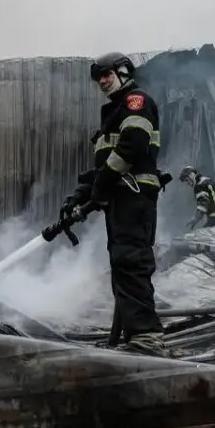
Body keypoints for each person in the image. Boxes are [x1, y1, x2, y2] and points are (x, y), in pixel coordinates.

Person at [61, 51, 168, 357]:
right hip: (120, 198)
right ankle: (128, 335)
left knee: (131, 262)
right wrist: (79, 195)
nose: (102, 82)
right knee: (121, 263)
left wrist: (102, 186)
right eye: (98, 78)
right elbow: (103, 167)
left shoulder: (137, 101)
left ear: (123, 72)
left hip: (134, 196)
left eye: (107, 74)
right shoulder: (113, 113)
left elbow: (131, 147)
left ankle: (147, 338)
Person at [178, 165, 215, 230]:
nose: (188, 183)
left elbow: (203, 203)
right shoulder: (208, 181)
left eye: (187, 180)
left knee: (200, 236)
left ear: (192, 174)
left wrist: (195, 218)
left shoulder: (199, 185)